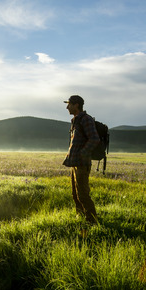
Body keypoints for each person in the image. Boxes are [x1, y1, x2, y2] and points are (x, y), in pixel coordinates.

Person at [63, 95, 99, 224]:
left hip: (82, 164)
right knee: (75, 194)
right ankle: (80, 218)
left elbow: (94, 138)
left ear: (76, 105)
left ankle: (92, 222)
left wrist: (82, 154)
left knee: (83, 195)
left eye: (69, 104)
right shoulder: (76, 120)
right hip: (75, 164)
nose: (67, 107)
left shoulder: (86, 119)